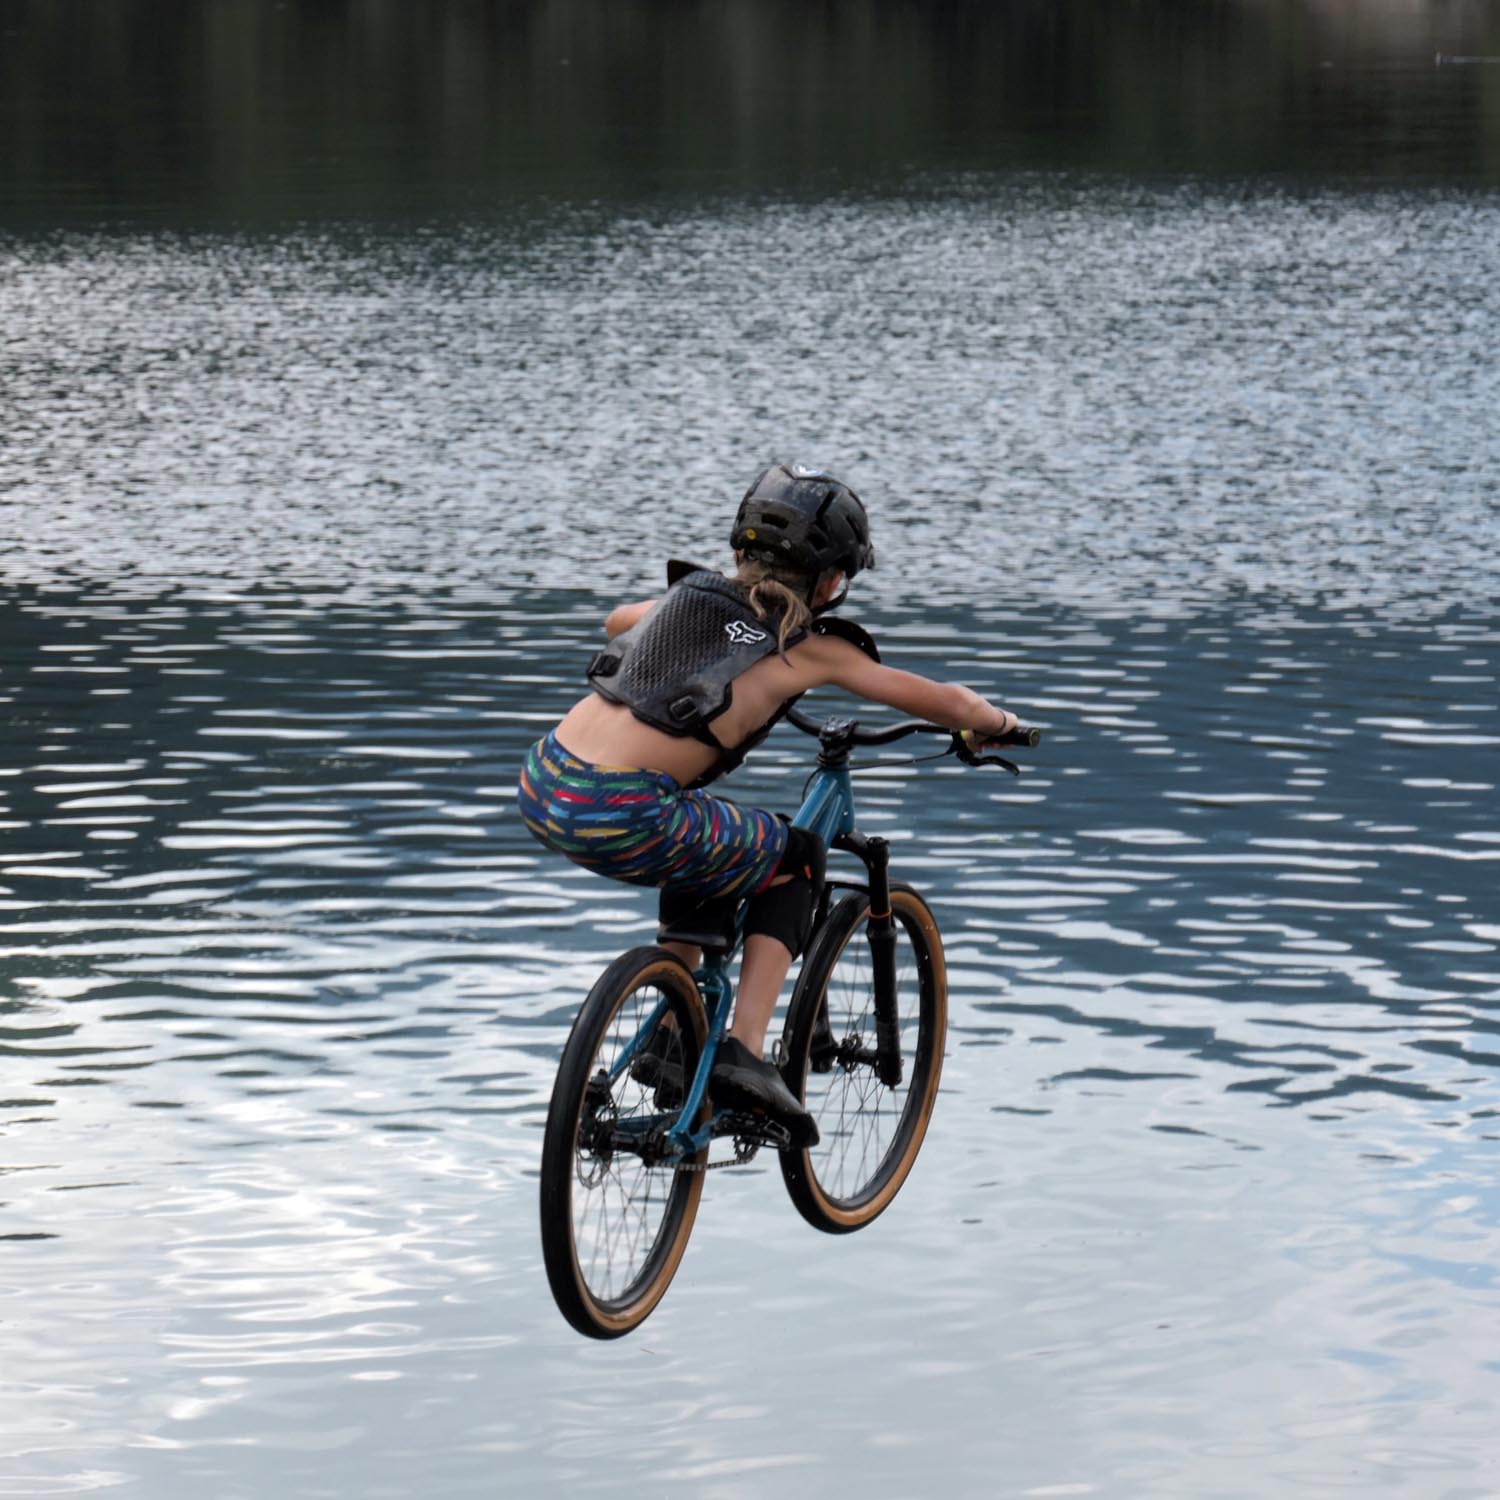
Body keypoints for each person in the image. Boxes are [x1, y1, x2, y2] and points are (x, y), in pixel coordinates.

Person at [516, 463, 1021, 1146]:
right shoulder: (809, 650)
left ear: (739, 550)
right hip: (624, 811)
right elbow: (948, 703)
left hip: (545, 779)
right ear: (831, 582)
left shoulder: (683, 602)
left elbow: (615, 621)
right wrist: (1000, 724)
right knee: (795, 856)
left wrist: (681, 616)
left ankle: (673, 1018)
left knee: (712, 838)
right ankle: (746, 1050)